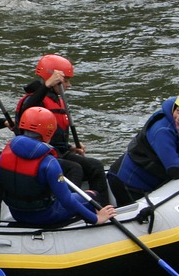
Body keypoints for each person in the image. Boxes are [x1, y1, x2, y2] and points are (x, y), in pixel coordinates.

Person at [0, 107, 116, 227]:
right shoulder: (49, 163)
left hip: (17, 213)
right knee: (92, 195)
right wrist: (95, 219)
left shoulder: (6, 153)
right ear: (49, 132)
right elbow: (66, 200)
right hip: (46, 216)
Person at [14, 53, 108, 199]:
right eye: (66, 80)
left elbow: (55, 135)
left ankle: (102, 207)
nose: (69, 85)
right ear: (53, 79)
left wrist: (70, 147)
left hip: (59, 151)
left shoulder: (57, 100)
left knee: (95, 165)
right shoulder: (34, 100)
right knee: (74, 169)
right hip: (40, 155)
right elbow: (26, 114)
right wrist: (46, 85)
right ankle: (67, 208)